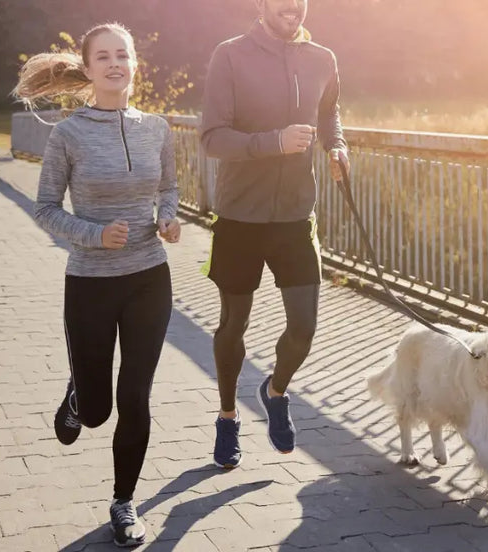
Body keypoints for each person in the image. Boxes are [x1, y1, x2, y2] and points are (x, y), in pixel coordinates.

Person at [11, 21, 180, 548]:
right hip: (90, 283)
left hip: (149, 279)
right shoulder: (68, 134)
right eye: (103, 56)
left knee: (135, 397)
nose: (115, 64)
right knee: (99, 410)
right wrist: (93, 234)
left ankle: (123, 502)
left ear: (134, 64)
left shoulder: (156, 127)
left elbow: (170, 187)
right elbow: (43, 209)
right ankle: (79, 399)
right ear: (87, 69)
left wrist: (170, 218)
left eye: (123, 55)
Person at [197, 0, 348, 469]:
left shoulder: (322, 57)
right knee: (233, 325)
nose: (291, 6)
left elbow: (329, 112)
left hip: (295, 217)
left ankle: (275, 390)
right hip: (240, 217)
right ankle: (227, 417)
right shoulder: (230, 55)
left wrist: (337, 144)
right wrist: (273, 143)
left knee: (304, 327)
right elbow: (211, 138)